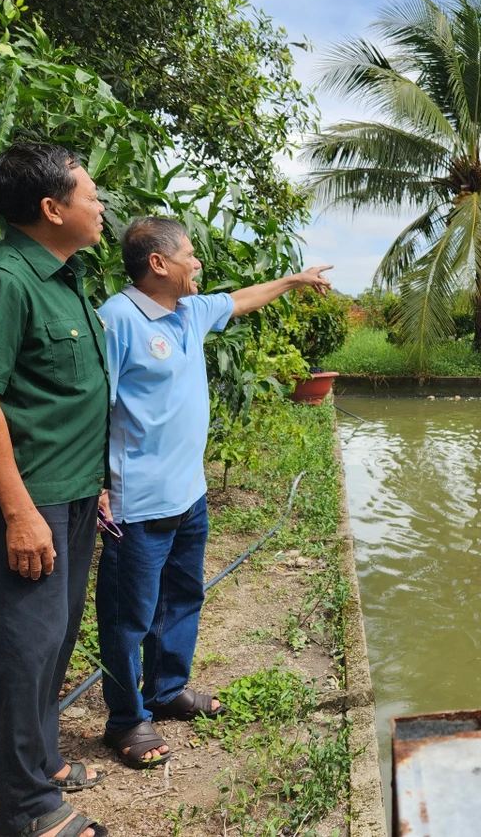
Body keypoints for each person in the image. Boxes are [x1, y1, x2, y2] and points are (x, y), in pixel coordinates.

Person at [95, 216, 332, 767]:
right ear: (158, 263)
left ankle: (167, 689)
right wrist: (97, 486)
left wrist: (294, 281)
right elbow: (92, 408)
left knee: (182, 599)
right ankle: (127, 720)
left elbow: (241, 298)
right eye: (190, 255)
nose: (198, 263)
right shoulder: (117, 321)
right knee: (128, 616)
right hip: (137, 503)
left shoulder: (190, 312)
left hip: (189, 497)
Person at [0, 143, 109, 837]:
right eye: (91, 196)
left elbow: (60, 398)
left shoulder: (62, 279)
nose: (101, 208)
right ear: (52, 208)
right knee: (19, 652)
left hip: (69, 497)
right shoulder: (1, 282)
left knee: (52, 645)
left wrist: (90, 487)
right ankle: (25, 810)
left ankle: (41, 764)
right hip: (24, 504)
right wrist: (18, 512)